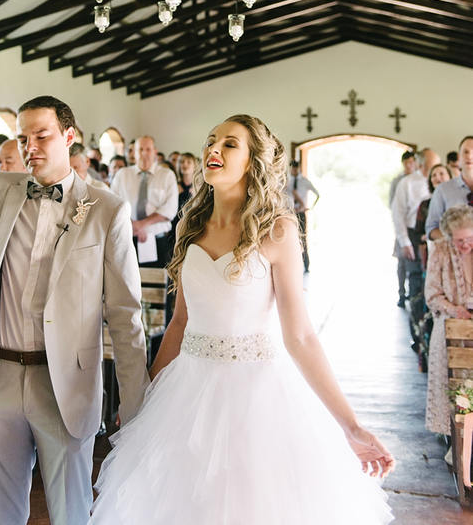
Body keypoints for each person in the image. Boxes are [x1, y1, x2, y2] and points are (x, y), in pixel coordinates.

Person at [90, 114, 393, 524]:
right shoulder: (188, 227)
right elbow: (178, 325)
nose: (213, 149)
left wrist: (352, 427)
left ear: (253, 161)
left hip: (258, 396)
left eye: (230, 144)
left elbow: (300, 335)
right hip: (187, 395)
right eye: (211, 141)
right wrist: (144, 396)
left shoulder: (278, 230)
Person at [0, 57, 149, 525]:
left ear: (69, 136)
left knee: (70, 513)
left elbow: (125, 315)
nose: (30, 147)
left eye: (42, 136)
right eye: (23, 137)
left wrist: (135, 409)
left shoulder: (106, 210)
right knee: (1, 514)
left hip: (65, 386)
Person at [425, 205, 473, 438]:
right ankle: (452, 440)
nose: (465, 245)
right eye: (459, 240)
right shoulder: (441, 250)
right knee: (449, 387)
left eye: (469, 239)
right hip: (448, 326)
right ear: (448, 237)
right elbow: (431, 294)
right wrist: (455, 309)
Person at [113, 135, 178, 267]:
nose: (144, 153)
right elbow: (113, 205)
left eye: (148, 149)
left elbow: (170, 209)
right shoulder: (122, 175)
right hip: (128, 240)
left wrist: (141, 224)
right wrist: (131, 225)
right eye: (140, 149)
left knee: (156, 283)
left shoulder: (167, 175)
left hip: (158, 240)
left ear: (155, 151)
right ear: (133, 153)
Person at [392, 148, 439, 306]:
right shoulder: (407, 183)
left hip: (436, 234)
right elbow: (398, 214)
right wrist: (404, 242)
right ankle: (417, 322)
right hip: (414, 234)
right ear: (422, 164)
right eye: (433, 164)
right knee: (415, 276)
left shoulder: (440, 182)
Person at [426, 136, 473, 240]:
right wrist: (456, 239)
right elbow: (431, 229)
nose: (469, 156)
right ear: (459, 158)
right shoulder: (443, 190)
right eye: (465, 152)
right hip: (454, 254)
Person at [388, 150, 416, 308]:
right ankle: (401, 292)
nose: (409, 165)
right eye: (407, 163)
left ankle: (413, 293)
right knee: (401, 261)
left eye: (412, 162)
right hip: (402, 225)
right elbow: (392, 204)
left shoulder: (419, 180)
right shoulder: (397, 181)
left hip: (415, 228)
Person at [285, 159, 319, 272]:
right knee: (288, 239)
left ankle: (306, 266)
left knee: (302, 238)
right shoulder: (286, 181)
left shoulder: (305, 181)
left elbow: (317, 194)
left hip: (301, 213)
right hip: (288, 213)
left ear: (299, 168)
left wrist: (310, 207)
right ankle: (291, 266)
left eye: (296, 167)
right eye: (292, 167)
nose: (294, 169)